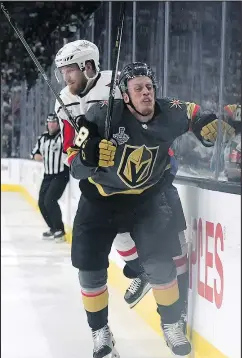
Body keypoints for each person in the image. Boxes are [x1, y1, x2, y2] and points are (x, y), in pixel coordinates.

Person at [65, 61, 230, 358]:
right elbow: (74, 164)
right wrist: (90, 158)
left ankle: (170, 324)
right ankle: (100, 330)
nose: (146, 93)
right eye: (138, 88)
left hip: (145, 201)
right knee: (89, 270)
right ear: (125, 96)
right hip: (100, 201)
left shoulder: (170, 111)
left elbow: (195, 115)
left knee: (159, 263)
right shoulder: (101, 115)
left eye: (149, 87)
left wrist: (206, 123)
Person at [54, 40, 187, 313]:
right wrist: (84, 159)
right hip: (109, 178)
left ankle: (177, 304)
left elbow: (153, 113)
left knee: (171, 238)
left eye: (70, 70)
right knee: (120, 234)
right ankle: (142, 272)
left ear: (88, 67)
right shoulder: (64, 101)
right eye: (62, 72)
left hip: (151, 172)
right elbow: (72, 147)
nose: (66, 78)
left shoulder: (119, 84)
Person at [31, 113, 69, 242]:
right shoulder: (43, 138)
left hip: (60, 174)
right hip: (47, 174)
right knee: (41, 203)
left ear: (58, 124)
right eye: (49, 122)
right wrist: (39, 157)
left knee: (50, 200)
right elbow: (35, 153)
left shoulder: (62, 137)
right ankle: (52, 228)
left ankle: (60, 229)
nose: (51, 124)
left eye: (54, 122)